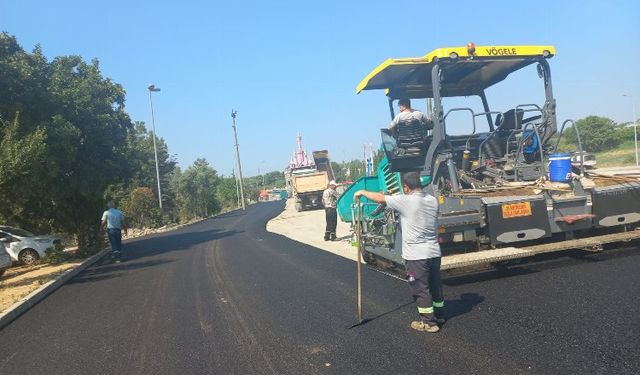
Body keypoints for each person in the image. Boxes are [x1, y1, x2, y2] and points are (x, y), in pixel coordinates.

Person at [354, 171, 444, 333]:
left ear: (406, 188)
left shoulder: (405, 201)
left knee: (420, 288)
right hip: (434, 252)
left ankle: (429, 323)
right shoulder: (432, 200)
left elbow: (380, 199)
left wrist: (362, 192)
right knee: (434, 285)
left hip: (417, 255)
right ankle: (440, 314)